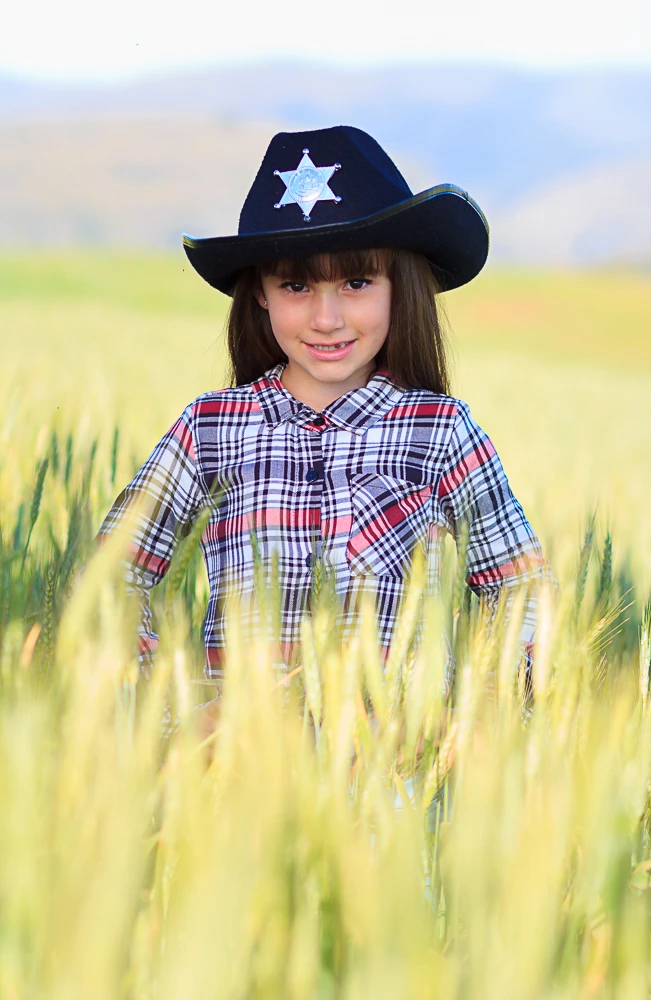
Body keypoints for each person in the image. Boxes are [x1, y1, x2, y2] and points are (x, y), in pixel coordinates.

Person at [98, 125, 548, 739]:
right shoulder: (211, 428)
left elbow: (521, 586)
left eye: (357, 283)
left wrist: (470, 725)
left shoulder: (440, 431)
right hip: (241, 774)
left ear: (399, 286)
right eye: (296, 285)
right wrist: (171, 721)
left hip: (395, 779)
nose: (327, 318)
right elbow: (112, 572)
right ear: (261, 293)